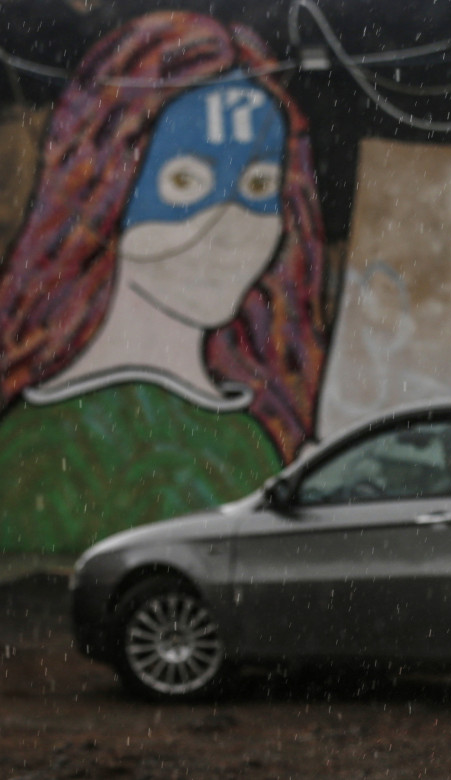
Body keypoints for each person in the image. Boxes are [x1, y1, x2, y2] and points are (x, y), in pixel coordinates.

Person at [0, 12, 333, 551]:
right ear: (106, 190)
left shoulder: (250, 435)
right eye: (185, 184)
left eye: (258, 185)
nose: (229, 229)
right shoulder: (45, 445)